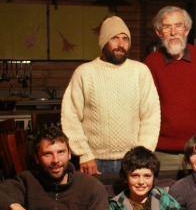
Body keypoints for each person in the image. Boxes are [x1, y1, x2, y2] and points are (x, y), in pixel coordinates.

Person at [61, 15, 161, 175]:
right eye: (114, 38)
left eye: (125, 39)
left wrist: (142, 154)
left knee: (131, 201)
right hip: (93, 161)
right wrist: (84, 154)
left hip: (132, 160)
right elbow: (70, 117)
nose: (121, 44)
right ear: (103, 42)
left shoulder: (140, 72)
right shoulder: (84, 73)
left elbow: (151, 116)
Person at [0, 127, 116, 210]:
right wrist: (14, 206)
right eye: (47, 154)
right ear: (37, 158)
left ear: (69, 154)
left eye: (61, 152)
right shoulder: (27, 181)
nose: (56, 160)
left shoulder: (91, 187)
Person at [144, 6, 196, 171]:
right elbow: (144, 110)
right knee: (165, 196)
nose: (173, 32)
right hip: (162, 153)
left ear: (186, 30)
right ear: (159, 33)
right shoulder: (151, 63)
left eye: (178, 26)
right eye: (167, 27)